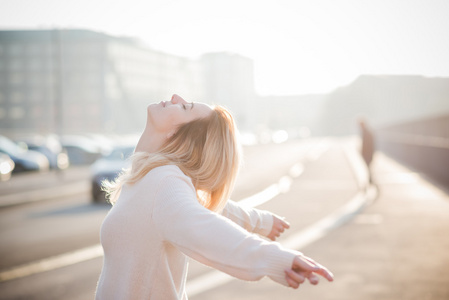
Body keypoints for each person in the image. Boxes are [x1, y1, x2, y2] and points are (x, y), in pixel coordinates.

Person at [95, 94, 334, 299]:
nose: (176, 97)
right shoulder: (148, 176)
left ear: (179, 135)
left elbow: (202, 226)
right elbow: (203, 205)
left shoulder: (162, 182)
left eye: (185, 107)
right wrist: (259, 221)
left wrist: (273, 258)